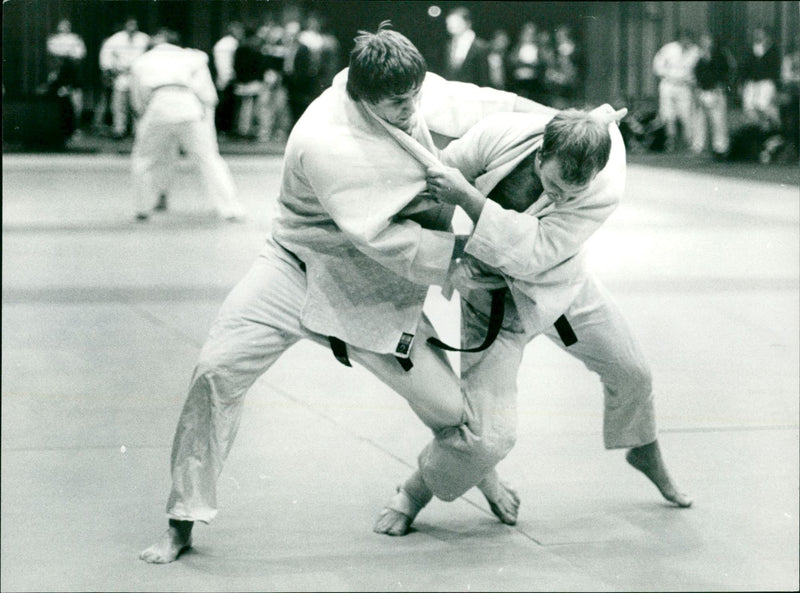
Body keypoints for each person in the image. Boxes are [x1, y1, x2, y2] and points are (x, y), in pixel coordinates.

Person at [139, 22, 557, 564]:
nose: (410, 111)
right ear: (360, 94)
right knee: (215, 371)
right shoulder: (326, 140)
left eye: (415, 98)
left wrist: (562, 122)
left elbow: (478, 101)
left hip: (372, 286)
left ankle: (482, 474)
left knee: (453, 412)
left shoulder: (405, 89)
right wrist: (457, 257)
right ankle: (182, 518)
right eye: (396, 104)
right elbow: (381, 236)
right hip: (295, 268)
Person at [375, 107, 693, 535]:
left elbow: (534, 253)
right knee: (489, 438)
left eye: (571, 192)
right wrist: (449, 253)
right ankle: (412, 493)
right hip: (491, 302)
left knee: (633, 372)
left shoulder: (604, 187)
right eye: (554, 185)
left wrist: (467, 197)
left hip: (561, 290)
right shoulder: (500, 132)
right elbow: (435, 183)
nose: (561, 197)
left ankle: (643, 449)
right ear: (541, 155)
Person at [129, 28, 245, 222]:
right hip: (188, 106)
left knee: (144, 159)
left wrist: (142, 116)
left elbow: (137, 97)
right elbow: (207, 94)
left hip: (158, 105)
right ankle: (230, 208)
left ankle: (141, 207)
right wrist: (207, 122)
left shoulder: (143, 60)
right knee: (208, 159)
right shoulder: (193, 58)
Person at [97, 16, 150, 138]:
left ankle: (138, 131)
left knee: (137, 104)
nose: (132, 27)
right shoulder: (116, 38)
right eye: (129, 24)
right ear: (125, 25)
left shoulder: (144, 38)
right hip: (121, 75)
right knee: (119, 105)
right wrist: (109, 69)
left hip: (138, 75)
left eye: (134, 25)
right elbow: (106, 54)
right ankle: (119, 129)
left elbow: (150, 54)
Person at [652, 30, 700, 151]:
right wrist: (667, 74)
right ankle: (670, 141)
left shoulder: (695, 51)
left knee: (686, 115)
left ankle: (689, 142)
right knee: (668, 114)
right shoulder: (669, 49)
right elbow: (657, 65)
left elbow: (698, 70)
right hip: (669, 84)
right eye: (684, 38)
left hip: (685, 86)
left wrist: (691, 80)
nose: (686, 41)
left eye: (688, 39)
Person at [691, 32, 735, 159]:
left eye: (708, 40)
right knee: (699, 120)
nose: (705, 43)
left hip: (716, 90)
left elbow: (727, 71)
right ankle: (698, 146)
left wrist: (722, 86)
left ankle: (721, 147)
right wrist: (697, 89)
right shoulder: (699, 56)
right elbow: (696, 73)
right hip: (702, 90)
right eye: (703, 40)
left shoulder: (721, 55)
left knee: (718, 120)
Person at [46, 18, 86, 133]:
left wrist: (68, 55)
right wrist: (67, 53)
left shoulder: (76, 38)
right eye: (62, 25)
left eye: (67, 25)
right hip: (58, 79)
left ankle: (75, 128)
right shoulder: (52, 39)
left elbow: (80, 54)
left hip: (73, 78)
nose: (65, 27)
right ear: (58, 26)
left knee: (77, 104)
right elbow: (53, 52)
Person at [740, 26, 782, 129]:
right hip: (751, 84)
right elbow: (744, 68)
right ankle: (756, 132)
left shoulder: (773, 51)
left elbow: (774, 70)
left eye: (760, 34)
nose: (757, 36)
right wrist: (742, 83)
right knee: (750, 110)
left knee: (765, 109)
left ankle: (768, 132)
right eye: (756, 34)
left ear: (767, 36)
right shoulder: (750, 51)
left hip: (766, 83)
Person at [441, 6, 491, 87]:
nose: (450, 26)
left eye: (455, 23)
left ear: (467, 23)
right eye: (448, 23)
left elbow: (484, 78)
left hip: (474, 93)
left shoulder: (480, 46)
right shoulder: (449, 45)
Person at [212, 21, 244, 135]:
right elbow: (228, 63)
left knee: (223, 105)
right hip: (229, 77)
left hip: (222, 76)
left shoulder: (221, 43)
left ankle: (221, 129)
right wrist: (229, 76)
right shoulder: (232, 44)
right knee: (227, 106)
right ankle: (225, 129)